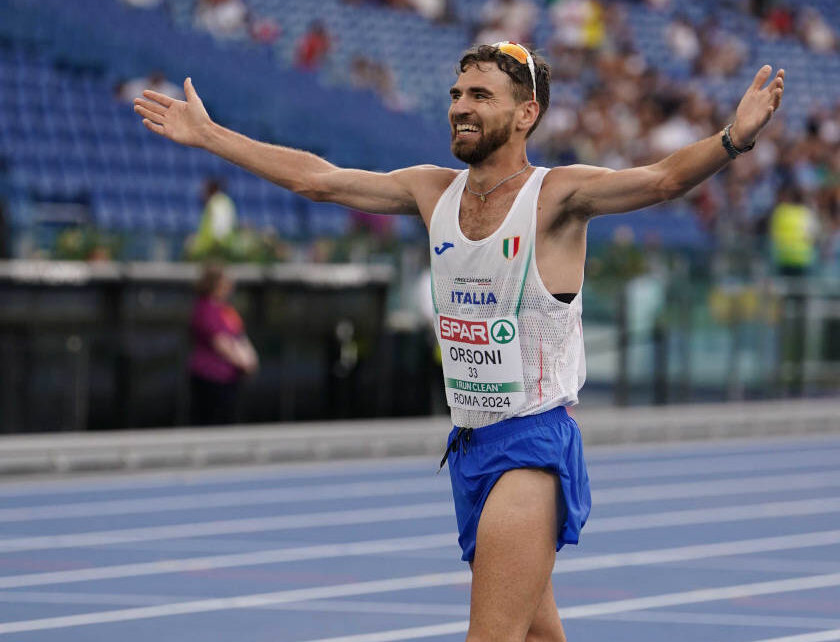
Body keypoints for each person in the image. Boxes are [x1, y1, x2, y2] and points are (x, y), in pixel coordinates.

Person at [133, 42, 784, 641]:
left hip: (529, 442)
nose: (459, 108)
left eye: (478, 96)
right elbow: (318, 179)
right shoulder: (429, 190)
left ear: (525, 113)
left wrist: (731, 139)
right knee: (537, 634)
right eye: (454, 95)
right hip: (469, 444)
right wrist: (211, 136)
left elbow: (662, 179)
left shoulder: (557, 195)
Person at [188, 263, 258, 425]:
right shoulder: (205, 309)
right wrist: (243, 361)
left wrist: (251, 358)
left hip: (230, 378)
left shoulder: (226, 310)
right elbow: (220, 341)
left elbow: (239, 335)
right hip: (210, 377)